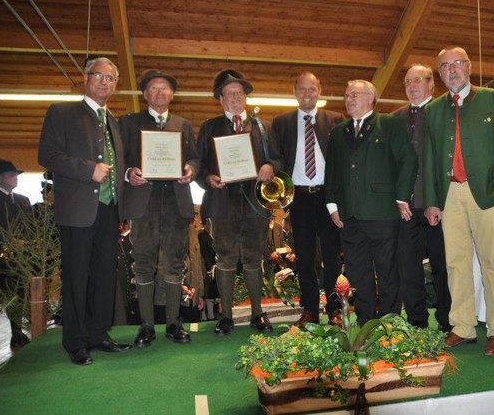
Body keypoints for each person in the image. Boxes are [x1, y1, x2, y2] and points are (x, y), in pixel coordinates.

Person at [38, 57, 131, 365]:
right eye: (99, 76)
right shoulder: (61, 113)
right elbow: (47, 155)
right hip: (78, 210)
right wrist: (87, 169)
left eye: (111, 78)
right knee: (77, 275)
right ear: (86, 78)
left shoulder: (113, 121)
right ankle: (75, 340)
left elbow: (116, 167)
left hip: (109, 211)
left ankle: (97, 333)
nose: (104, 82)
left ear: (115, 85)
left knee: (105, 274)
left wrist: (129, 176)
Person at [423, 47, 494, 356]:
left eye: (457, 64)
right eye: (444, 66)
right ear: (440, 73)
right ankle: (462, 326)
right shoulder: (432, 110)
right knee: (455, 263)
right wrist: (433, 201)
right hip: (450, 194)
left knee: (491, 262)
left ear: (469, 66)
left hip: (486, 193)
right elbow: (431, 159)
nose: (451, 70)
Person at [324, 79, 417, 326]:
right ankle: (365, 321)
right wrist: (332, 205)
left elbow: (407, 160)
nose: (349, 99)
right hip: (350, 215)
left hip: (383, 211)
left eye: (354, 94)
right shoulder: (337, 132)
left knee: (387, 269)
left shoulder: (389, 124)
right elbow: (331, 171)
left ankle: (389, 322)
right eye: (346, 95)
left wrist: (400, 197)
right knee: (358, 272)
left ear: (370, 98)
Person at [119, 69, 200, 347]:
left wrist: (191, 169)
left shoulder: (183, 124)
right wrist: (129, 172)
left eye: (164, 88)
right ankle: (146, 325)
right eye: (153, 88)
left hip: (176, 202)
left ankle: (174, 323)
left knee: (175, 263)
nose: (159, 93)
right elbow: (120, 160)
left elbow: (195, 158)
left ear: (172, 94)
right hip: (144, 202)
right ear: (144, 95)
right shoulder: (129, 123)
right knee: (143, 263)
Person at [196, 69, 274, 336]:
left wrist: (269, 165)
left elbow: (279, 158)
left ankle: (257, 313)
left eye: (239, 93)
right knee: (225, 258)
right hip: (222, 204)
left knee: (254, 258)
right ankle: (226, 316)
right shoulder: (209, 127)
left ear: (246, 97)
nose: (236, 98)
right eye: (230, 94)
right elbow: (199, 165)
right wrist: (209, 178)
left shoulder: (263, 127)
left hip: (255, 204)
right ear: (221, 99)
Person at [269, 72, 344, 328]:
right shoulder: (281, 123)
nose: (307, 94)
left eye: (312, 89)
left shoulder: (335, 119)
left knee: (333, 256)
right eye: (302, 89)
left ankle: (334, 309)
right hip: (298, 198)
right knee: (304, 256)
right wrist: (269, 167)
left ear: (319, 90)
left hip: (328, 196)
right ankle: (310, 309)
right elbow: (278, 158)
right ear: (294, 92)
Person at [393, 65, 451, 332]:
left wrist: (435, 200)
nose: (412, 85)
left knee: (442, 266)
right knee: (409, 268)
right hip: (405, 209)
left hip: (438, 205)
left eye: (417, 80)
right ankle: (417, 320)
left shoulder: (444, 112)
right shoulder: (394, 119)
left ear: (431, 85)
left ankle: (447, 319)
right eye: (407, 81)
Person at [0, 159, 32, 350]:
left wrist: (27, 243)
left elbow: (29, 226)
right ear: (0, 178)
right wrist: (8, 243)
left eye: (16, 175)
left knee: (22, 294)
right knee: (11, 295)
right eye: (11, 175)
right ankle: (16, 333)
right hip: (3, 259)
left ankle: (20, 332)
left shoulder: (22, 200)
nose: (15, 179)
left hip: (24, 258)